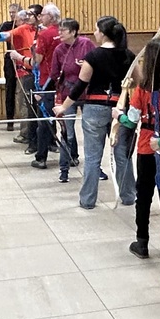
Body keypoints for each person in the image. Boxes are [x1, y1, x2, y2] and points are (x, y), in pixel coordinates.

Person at [56, 16, 136, 209]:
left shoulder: (93, 56)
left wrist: (63, 107)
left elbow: (79, 85)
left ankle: (88, 200)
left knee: (92, 157)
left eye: (96, 30)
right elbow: (139, 80)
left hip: (95, 109)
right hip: (120, 108)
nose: (94, 33)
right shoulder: (128, 55)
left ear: (103, 33)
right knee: (122, 154)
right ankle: (128, 196)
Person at [127, 36, 160, 260]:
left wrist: (118, 116)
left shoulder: (143, 90)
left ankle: (142, 242)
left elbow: (131, 120)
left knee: (144, 194)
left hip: (148, 147)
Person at [47, 17, 94, 182]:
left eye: (63, 30)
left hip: (87, 95)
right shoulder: (59, 49)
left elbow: (97, 64)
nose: (59, 33)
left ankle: (95, 170)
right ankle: (64, 169)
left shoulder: (86, 44)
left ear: (73, 32)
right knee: (68, 134)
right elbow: (54, 73)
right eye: (59, 30)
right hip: (68, 95)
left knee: (91, 133)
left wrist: (85, 68)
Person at [30, 5, 64, 168]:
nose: (40, 17)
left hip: (46, 80)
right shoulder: (63, 32)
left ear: (50, 16)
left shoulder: (44, 35)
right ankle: (72, 156)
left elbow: (37, 59)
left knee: (44, 119)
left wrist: (32, 49)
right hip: (63, 81)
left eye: (42, 15)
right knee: (65, 120)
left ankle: (41, 157)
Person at [7, 7, 39, 146]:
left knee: (25, 104)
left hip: (25, 73)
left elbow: (2, 35)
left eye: (19, 20)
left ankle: (26, 134)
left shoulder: (23, 29)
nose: (17, 23)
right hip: (27, 72)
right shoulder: (31, 30)